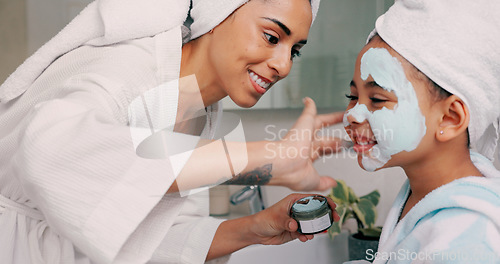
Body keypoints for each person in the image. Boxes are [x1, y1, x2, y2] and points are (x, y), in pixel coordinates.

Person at [0, 0, 344, 263]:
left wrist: (255, 227)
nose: (283, 65)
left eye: (294, 51)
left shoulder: (195, 104)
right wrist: (264, 158)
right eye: (271, 37)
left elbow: (150, 235)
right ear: (219, 12)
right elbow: (51, 151)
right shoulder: (130, 67)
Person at [343, 0, 500, 263]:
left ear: (449, 118)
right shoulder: (425, 193)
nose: (352, 114)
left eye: (377, 100)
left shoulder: (466, 240)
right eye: (352, 96)